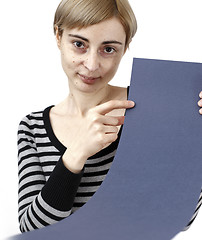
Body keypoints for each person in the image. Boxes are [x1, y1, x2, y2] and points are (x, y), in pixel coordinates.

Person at [17, 0, 202, 233]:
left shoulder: (158, 111)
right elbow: (32, 231)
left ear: (125, 47)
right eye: (79, 44)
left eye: (108, 49)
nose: (92, 64)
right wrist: (75, 154)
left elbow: (177, 218)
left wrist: (195, 138)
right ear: (57, 36)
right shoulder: (33, 127)